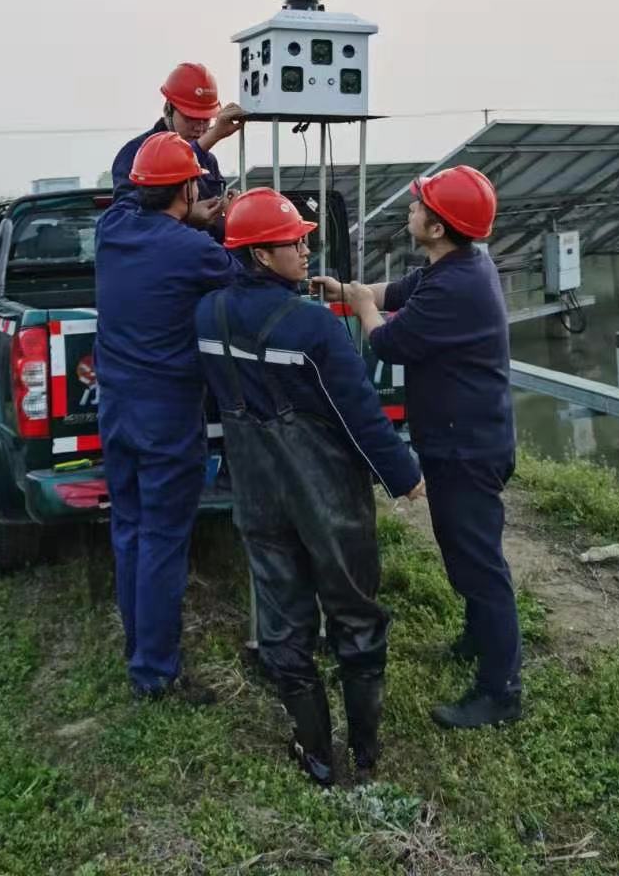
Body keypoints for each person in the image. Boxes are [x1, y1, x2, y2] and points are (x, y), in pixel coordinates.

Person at [196, 188, 424, 786]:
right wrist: (402, 475)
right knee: (354, 611)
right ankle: (366, 749)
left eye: (303, 236)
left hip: (256, 490)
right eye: (292, 241)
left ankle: (316, 753)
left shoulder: (207, 314)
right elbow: (358, 413)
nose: (304, 247)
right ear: (259, 256)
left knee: (281, 617)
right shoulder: (312, 327)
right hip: (327, 497)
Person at [315, 165, 521, 731]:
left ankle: (501, 690)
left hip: (468, 448)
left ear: (436, 227)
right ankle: (478, 639)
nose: (410, 209)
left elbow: (389, 341)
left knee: (479, 564)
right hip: (462, 438)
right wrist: (350, 290)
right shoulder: (454, 264)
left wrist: (360, 309)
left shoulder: (457, 286)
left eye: (418, 205)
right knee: (464, 552)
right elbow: (396, 294)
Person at [95, 131, 240, 702]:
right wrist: (216, 222)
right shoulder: (191, 250)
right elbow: (241, 272)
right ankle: (154, 672)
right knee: (161, 539)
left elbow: (137, 198)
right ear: (185, 187)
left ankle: (139, 649)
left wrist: (188, 208)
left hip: (117, 410)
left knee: (128, 529)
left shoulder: (113, 229)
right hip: (166, 415)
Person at [111, 62, 245, 231]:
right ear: (168, 109)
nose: (199, 127)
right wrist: (185, 215)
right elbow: (128, 223)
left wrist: (226, 207)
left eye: (205, 119)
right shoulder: (134, 153)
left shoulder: (208, 161)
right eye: (190, 118)